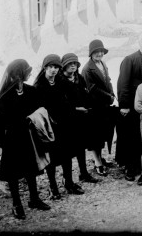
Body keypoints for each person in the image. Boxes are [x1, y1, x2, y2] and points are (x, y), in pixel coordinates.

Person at [0, 60, 51, 219]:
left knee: (31, 168)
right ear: (18, 74)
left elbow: (40, 108)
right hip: (12, 140)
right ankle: (16, 204)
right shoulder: (5, 97)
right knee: (13, 173)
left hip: (29, 137)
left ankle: (34, 199)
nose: (30, 72)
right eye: (27, 70)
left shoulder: (31, 91)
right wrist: (1, 143)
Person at [34, 54, 86, 199]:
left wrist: (74, 108)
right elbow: (37, 109)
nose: (54, 70)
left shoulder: (60, 81)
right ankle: (53, 187)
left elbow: (72, 95)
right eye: (51, 67)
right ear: (45, 67)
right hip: (48, 127)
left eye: (56, 67)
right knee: (51, 158)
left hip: (64, 124)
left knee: (67, 154)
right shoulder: (39, 86)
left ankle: (68, 182)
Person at [117, 33, 142, 181]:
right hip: (133, 106)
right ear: (139, 43)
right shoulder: (130, 59)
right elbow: (123, 84)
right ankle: (130, 167)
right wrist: (124, 105)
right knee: (132, 137)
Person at [59, 53, 100, 185]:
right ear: (64, 66)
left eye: (75, 64)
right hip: (68, 120)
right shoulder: (60, 81)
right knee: (69, 151)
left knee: (81, 147)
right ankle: (68, 180)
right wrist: (76, 109)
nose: (73, 66)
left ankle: (84, 173)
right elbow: (61, 103)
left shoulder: (79, 78)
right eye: (70, 64)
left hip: (82, 119)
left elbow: (85, 94)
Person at [81, 39, 117, 176]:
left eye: (101, 51)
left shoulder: (102, 63)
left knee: (104, 133)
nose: (99, 54)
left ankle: (101, 158)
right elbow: (92, 89)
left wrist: (112, 93)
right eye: (96, 52)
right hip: (95, 107)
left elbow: (108, 81)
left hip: (104, 105)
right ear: (91, 53)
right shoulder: (87, 69)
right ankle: (97, 162)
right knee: (95, 136)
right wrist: (108, 96)